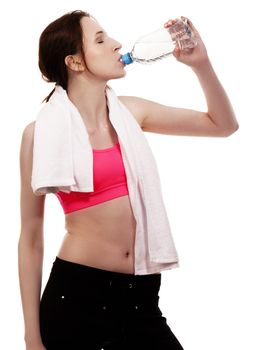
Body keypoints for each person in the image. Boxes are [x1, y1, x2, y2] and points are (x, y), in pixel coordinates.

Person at [18, 10, 238, 350]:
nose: (117, 44)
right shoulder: (40, 135)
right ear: (74, 62)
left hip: (140, 296)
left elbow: (222, 125)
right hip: (76, 297)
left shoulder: (132, 113)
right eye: (101, 40)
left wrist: (200, 65)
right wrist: (32, 337)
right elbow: (31, 238)